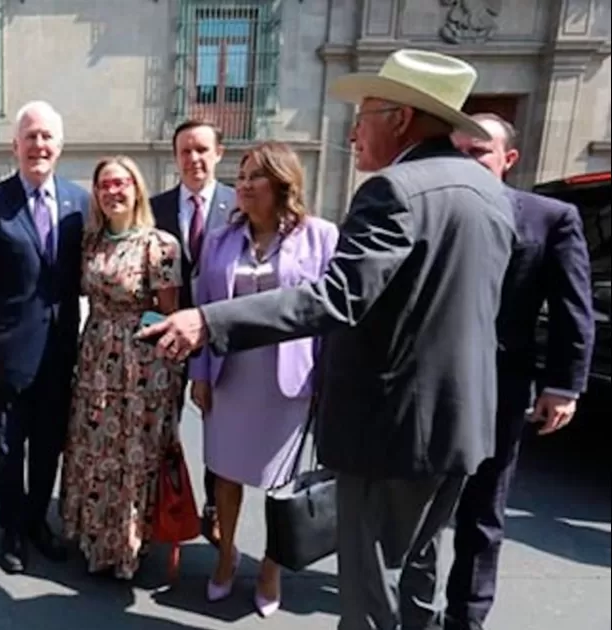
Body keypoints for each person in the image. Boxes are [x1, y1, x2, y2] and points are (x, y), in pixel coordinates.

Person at [137, 49, 516, 630]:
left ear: (400, 118)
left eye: (362, 115)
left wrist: (209, 321)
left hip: (391, 431)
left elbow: (337, 296)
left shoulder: (394, 191)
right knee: (416, 573)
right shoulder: (487, 190)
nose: (352, 132)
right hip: (460, 424)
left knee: (367, 591)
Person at [444, 113, 595, 630]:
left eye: (479, 152)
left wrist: (562, 383)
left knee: (483, 512)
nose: (467, 161)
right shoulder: (432, 209)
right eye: (458, 151)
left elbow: (572, 308)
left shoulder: (549, 218)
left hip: (500, 388)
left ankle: (466, 616)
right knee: (416, 509)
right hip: (430, 387)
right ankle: (412, 606)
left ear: (508, 160)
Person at [188, 141, 339, 616]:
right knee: (226, 476)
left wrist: (326, 384)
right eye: (242, 175)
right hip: (231, 374)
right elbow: (201, 311)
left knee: (280, 484)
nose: (243, 185)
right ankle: (227, 554)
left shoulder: (321, 237)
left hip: (289, 381)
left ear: (282, 183)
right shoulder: (218, 239)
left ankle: (271, 568)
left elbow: (332, 316)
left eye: (255, 176)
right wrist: (199, 374)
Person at [0, 100, 89, 574]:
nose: (39, 145)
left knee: (48, 445)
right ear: (15, 145)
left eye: (47, 137)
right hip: (6, 353)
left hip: (61, 352)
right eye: (30, 136)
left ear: (60, 147)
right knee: (6, 446)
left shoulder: (81, 201)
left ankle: (38, 520)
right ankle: (12, 529)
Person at [58, 155, 183, 579]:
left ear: (136, 189)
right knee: (95, 451)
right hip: (94, 358)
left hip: (140, 368)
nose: (113, 191)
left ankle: (128, 547)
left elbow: (169, 314)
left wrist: (141, 343)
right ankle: (94, 538)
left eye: (121, 183)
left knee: (132, 455)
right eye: (105, 184)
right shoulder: (91, 242)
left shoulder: (160, 244)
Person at [150, 119, 236, 542]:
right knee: (164, 426)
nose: (193, 159)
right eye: (185, 151)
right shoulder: (155, 207)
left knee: (218, 429)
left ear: (218, 152)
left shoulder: (239, 206)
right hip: (169, 338)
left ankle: (213, 505)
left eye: (201, 149)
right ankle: (161, 503)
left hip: (220, 337)